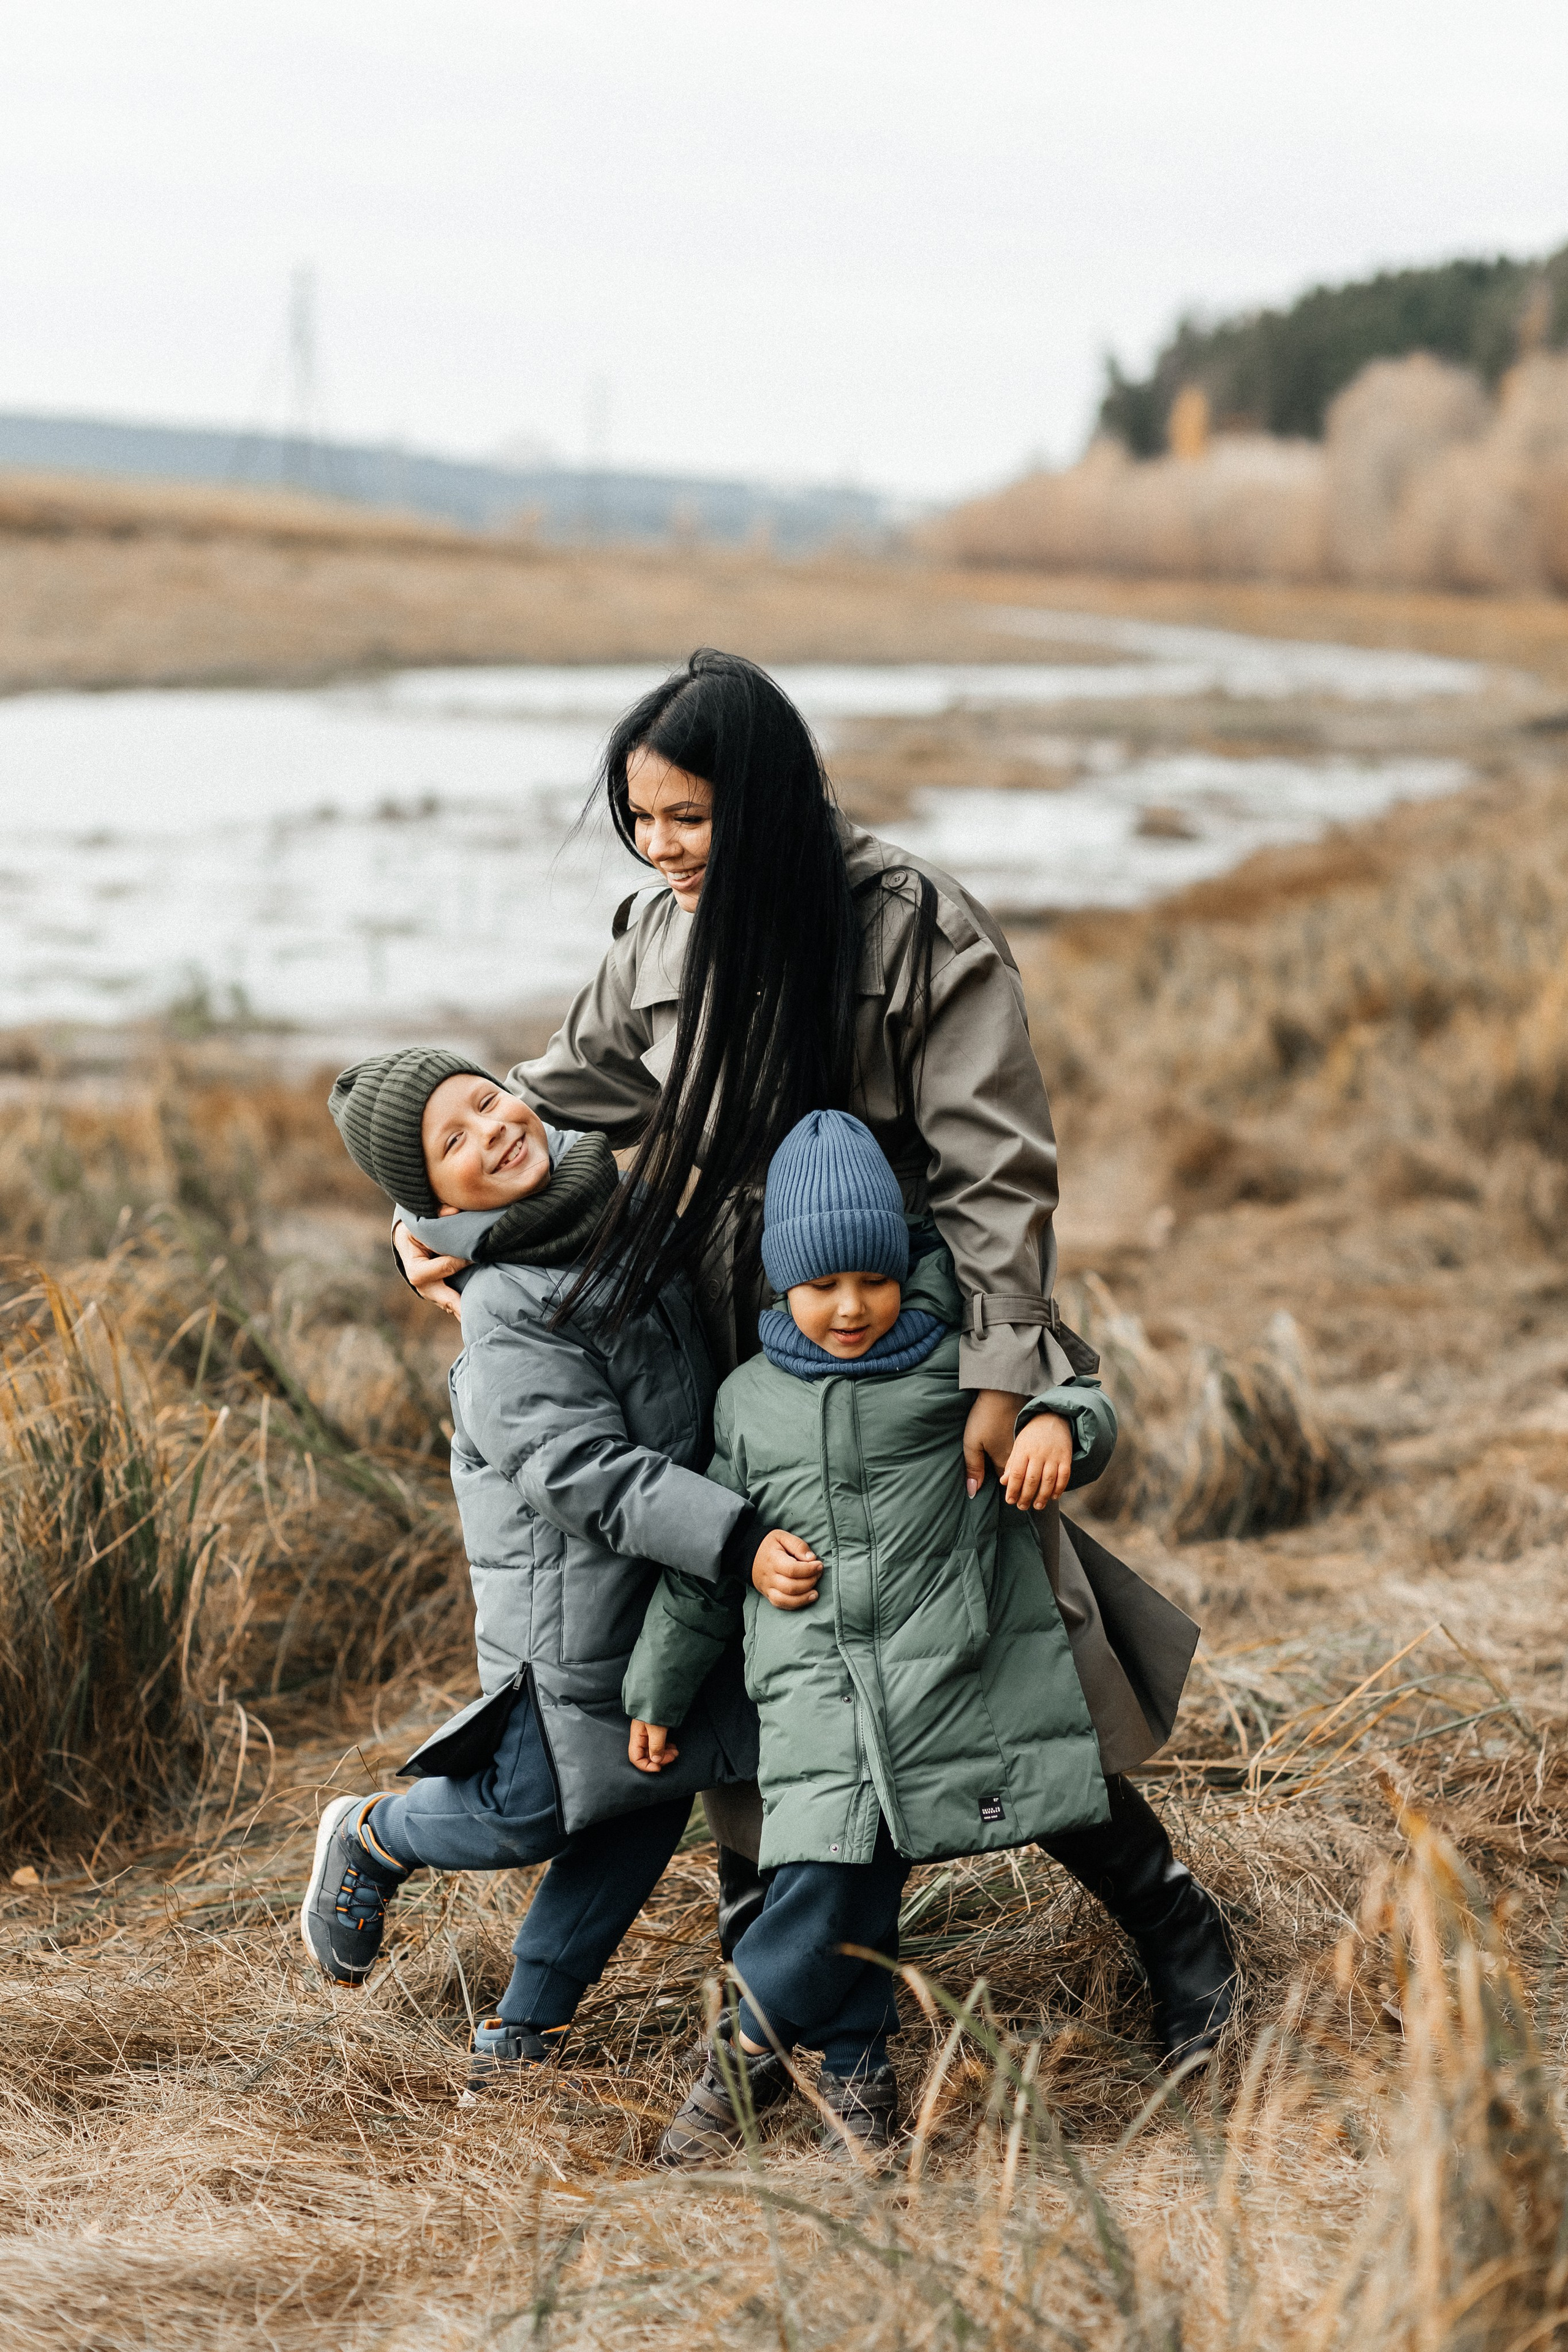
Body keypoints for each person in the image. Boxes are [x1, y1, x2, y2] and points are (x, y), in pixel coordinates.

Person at [391, 650, 1235, 2056]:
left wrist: (996, 1371)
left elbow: (996, 1167)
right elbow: (539, 1099)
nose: (662, 850)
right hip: (734, 1355)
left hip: (904, 1336)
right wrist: (432, 1221)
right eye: (640, 821)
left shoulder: (911, 926)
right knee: (772, 1676)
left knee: (1005, 1651)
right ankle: (811, 2019)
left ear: (768, 801)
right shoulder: (653, 937)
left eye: (689, 818)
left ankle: (1174, 1927)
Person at [622, 1110, 1123, 2162]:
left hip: (931, 1687)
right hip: (809, 1704)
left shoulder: (953, 1370)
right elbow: (713, 1567)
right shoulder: (747, 1404)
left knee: (844, 1881)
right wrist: (657, 1689)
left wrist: (1047, 1424)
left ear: (903, 1268)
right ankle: (855, 2088)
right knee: (829, 1879)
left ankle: (740, 2069)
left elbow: (1086, 1406)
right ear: (779, 1287)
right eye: (821, 1288)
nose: (850, 1309)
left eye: (873, 1281)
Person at [300, 1047, 765, 2084]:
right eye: (452, 1144)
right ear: (429, 1200)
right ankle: (376, 1836)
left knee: (642, 1806)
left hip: (656, 1591)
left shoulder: (611, 1207)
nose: (492, 1131)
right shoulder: (507, 1303)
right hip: (573, 1618)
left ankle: (522, 2031)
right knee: (529, 1816)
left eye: (484, 1100)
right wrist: (731, 1535)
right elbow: (575, 1468)